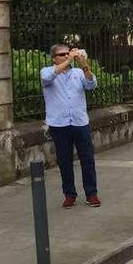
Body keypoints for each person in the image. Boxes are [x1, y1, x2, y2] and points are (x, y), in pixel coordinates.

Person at [41, 45, 101, 209]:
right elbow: (48, 78)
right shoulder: (47, 71)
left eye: (68, 53)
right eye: (62, 54)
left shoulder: (77, 73)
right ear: (54, 58)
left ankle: (91, 193)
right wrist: (69, 59)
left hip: (79, 122)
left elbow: (91, 85)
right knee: (65, 161)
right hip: (59, 124)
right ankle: (69, 194)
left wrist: (84, 65)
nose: (67, 56)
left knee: (87, 159)